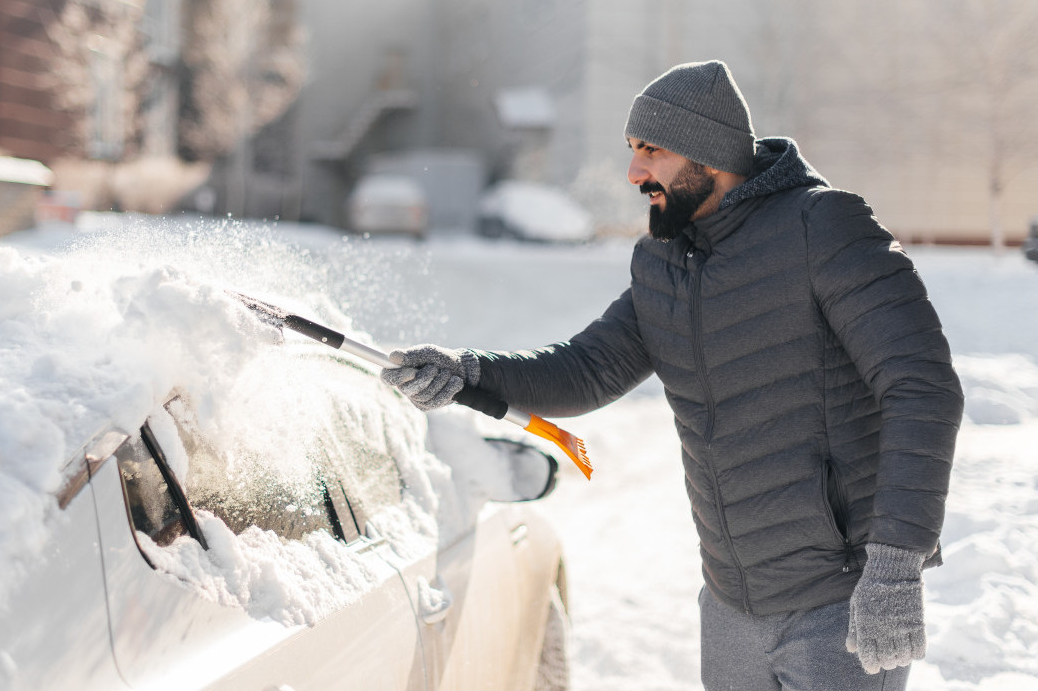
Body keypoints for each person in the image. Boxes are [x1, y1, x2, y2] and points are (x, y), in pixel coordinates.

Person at [382, 60, 963, 691]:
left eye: (650, 151)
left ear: (708, 154)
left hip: (837, 602)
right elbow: (587, 369)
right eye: (632, 150)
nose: (634, 172)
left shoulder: (821, 226)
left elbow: (921, 386)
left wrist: (895, 566)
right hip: (730, 604)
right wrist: (465, 374)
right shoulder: (663, 260)